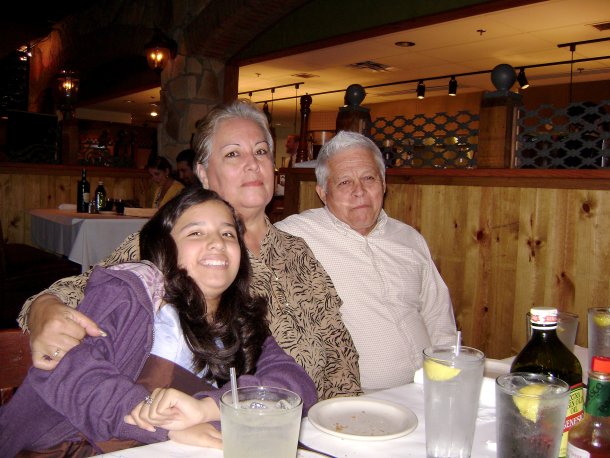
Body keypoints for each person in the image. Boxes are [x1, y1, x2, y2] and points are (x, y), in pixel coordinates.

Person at [18, 100, 361, 401]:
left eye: (261, 151)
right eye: (232, 154)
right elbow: (76, 290)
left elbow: (339, 351)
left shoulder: (296, 251)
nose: (252, 163)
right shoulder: (174, 242)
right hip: (220, 429)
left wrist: (348, 419)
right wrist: (44, 309)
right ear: (203, 173)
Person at [1, 187, 317, 456]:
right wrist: (161, 423)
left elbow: (294, 386)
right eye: (196, 232)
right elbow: (66, 369)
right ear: (164, 245)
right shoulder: (133, 291)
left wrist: (208, 409)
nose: (217, 242)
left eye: (227, 233)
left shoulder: (240, 320)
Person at [275, 130, 457, 391]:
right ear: (323, 192)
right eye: (344, 182)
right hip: (354, 402)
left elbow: (438, 316)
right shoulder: (294, 237)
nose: (359, 191)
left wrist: (449, 375)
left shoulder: (409, 239)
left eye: (368, 178)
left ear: (383, 184)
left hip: (428, 390)